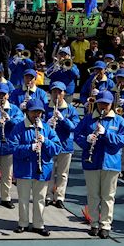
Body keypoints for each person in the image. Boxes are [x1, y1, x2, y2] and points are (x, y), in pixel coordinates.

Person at [73, 91, 124, 238]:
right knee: (93, 195)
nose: (103, 106)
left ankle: (105, 225)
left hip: (110, 163)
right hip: (91, 162)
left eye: (106, 103)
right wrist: (86, 140)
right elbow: (77, 135)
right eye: (100, 102)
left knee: (108, 196)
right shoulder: (87, 119)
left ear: (112, 104)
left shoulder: (119, 121)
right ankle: (93, 223)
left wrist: (106, 134)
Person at [10, 99, 56, 236]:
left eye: (39, 112)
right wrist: (29, 148)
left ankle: (39, 224)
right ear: (27, 112)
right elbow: (13, 147)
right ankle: (23, 223)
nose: (37, 114)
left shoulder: (46, 128)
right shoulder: (18, 128)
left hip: (42, 169)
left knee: (40, 198)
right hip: (24, 169)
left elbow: (57, 148)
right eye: (34, 111)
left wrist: (46, 142)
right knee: (23, 198)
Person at [44, 82, 78, 210]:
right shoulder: (46, 108)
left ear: (64, 93)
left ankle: (59, 197)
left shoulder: (70, 109)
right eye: (54, 92)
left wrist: (63, 119)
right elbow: (39, 125)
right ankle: (48, 195)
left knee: (63, 174)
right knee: (50, 171)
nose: (57, 95)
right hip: (50, 145)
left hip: (65, 145)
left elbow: (74, 127)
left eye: (59, 92)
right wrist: (47, 123)